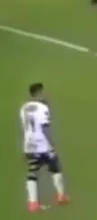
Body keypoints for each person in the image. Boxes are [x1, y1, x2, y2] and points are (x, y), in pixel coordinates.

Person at [20, 82, 69, 212]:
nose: (44, 95)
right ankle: (61, 196)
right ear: (38, 93)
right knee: (55, 167)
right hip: (42, 144)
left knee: (32, 171)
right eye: (42, 92)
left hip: (29, 144)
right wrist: (52, 144)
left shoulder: (24, 108)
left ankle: (33, 203)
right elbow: (44, 128)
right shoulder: (42, 107)